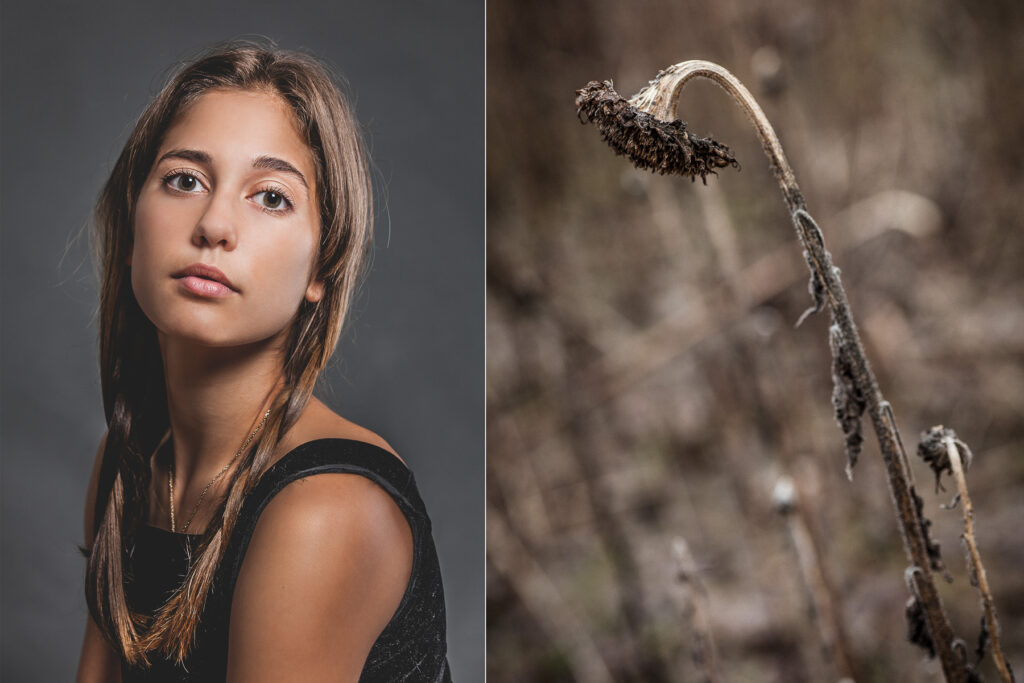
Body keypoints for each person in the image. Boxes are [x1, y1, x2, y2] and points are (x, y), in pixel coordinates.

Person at [74, 41, 452, 682]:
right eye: (184, 180)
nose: (215, 223)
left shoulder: (325, 509)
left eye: (270, 197)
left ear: (322, 268)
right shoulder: (126, 462)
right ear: (132, 225)